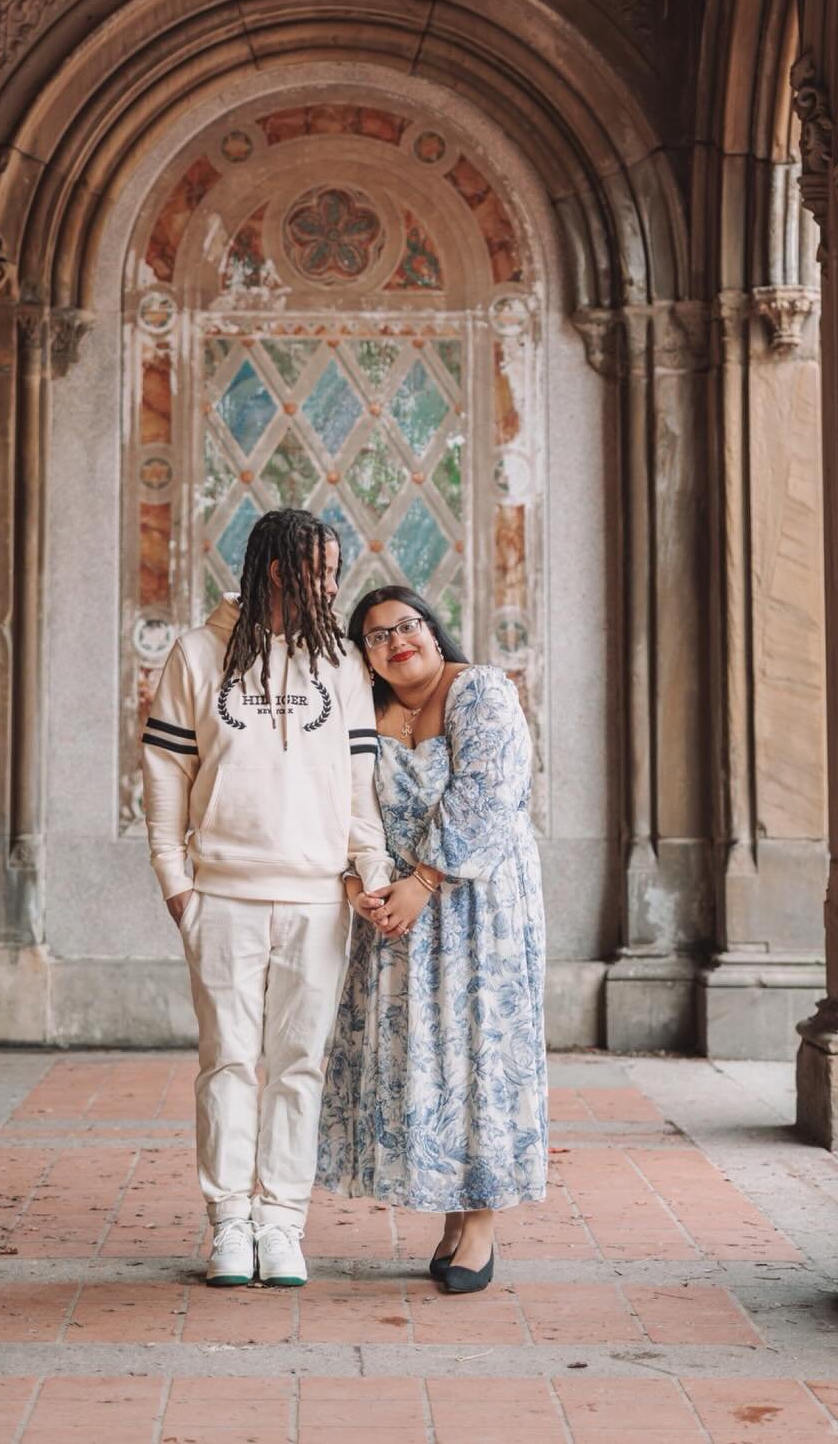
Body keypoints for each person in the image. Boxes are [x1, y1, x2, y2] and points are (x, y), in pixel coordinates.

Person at [141, 509, 393, 1291]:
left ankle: (282, 1224)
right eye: (320, 570)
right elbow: (163, 781)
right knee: (227, 1064)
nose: (333, 584)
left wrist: (373, 875)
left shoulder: (343, 665)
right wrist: (177, 887)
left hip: (318, 901)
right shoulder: (196, 654)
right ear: (278, 570)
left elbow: (358, 789)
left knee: (296, 1069)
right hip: (222, 897)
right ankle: (229, 1225)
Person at [316, 585, 547, 1295]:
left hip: (478, 905)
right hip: (398, 914)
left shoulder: (480, 691)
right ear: (366, 657)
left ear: (433, 629)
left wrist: (424, 880)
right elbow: (337, 802)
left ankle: (479, 1220)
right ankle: (450, 1212)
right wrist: (361, 885)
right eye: (377, 636)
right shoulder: (366, 714)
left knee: (479, 1053)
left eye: (406, 625)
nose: (396, 641)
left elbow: (487, 791)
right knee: (426, 1063)